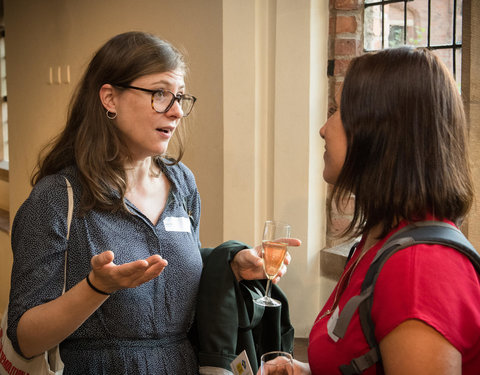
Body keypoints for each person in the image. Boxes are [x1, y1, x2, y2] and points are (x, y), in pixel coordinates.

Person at [7, 31, 299, 375]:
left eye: (179, 97)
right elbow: (24, 338)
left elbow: (169, 271)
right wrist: (97, 287)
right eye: (160, 94)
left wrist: (230, 264)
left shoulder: (182, 183)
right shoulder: (58, 197)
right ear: (109, 98)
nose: (176, 112)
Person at [292, 47, 480, 374]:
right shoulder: (382, 238)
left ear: (381, 132)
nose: (324, 128)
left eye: (339, 110)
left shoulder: (419, 270)